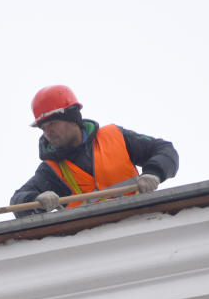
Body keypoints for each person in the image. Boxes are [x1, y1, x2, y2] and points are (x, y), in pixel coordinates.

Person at [11, 85, 178, 217]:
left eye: (52, 123)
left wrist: (154, 173)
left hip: (140, 221)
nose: (47, 132)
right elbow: (17, 202)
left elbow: (164, 149)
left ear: (71, 118)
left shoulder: (115, 137)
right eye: (43, 127)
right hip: (92, 241)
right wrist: (35, 201)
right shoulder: (51, 170)